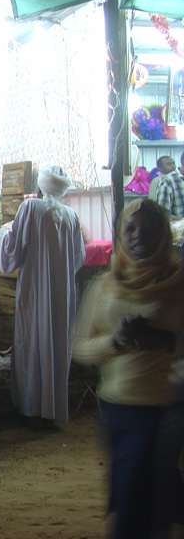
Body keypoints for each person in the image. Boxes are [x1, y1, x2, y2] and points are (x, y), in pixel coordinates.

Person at [72, 199, 184, 539]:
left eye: (149, 229)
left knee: (148, 503)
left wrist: (165, 343)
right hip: (119, 410)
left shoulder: (179, 286)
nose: (138, 236)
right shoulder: (106, 285)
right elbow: (80, 349)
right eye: (130, 229)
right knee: (132, 497)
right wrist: (116, 342)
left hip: (168, 410)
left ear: (164, 235)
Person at [0, 164, 85, 429]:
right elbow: (78, 258)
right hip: (61, 295)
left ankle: (31, 411)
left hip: (33, 291)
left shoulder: (30, 208)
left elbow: (11, 249)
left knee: (31, 345)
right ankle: (51, 410)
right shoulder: (71, 216)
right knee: (56, 347)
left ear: (41, 184)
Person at [155, 151, 184, 219]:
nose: (172, 166)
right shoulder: (168, 181)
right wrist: (175, 220)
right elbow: (161, 213)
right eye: (169, 164)